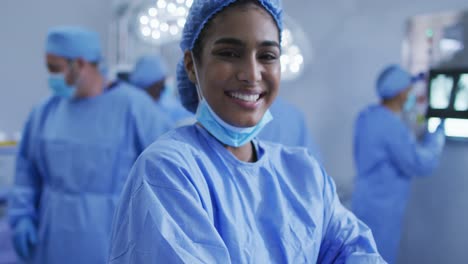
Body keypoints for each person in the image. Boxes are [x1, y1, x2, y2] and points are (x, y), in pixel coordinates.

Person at [108, 1, 385, 263]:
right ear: (192, 65)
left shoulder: (304, 174)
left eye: (267, 56)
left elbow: (356, 253)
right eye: (229, 53)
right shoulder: (170, 170)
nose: (251, 74)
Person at [8, 26, 172, 264]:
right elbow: (27, 172)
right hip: (53, 239)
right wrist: (22, 216)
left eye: (55, 68)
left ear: (80, 64)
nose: (50, 77)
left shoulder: (136, 108)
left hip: (112, 238)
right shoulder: (46, 111)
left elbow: (166, 175)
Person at [351, 64, 446, 264]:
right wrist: (436, 138)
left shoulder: (367, 116)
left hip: (364, 201)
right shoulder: (391, 126)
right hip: (382, 211)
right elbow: (420, 164)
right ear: (401, 93)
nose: (411, 94)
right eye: (409, 90)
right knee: (379, 257)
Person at [129, 54, 194, 126]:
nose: (162, 89)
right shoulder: (134, 108)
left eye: (162, 86)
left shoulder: (170, 107)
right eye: (158, 86)